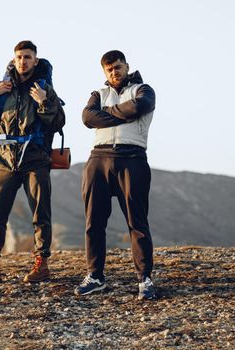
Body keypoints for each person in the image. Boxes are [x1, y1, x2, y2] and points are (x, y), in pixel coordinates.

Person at [0, 40, 65, 283]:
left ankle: (42, 265)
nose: (23, 61)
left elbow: (58, 123)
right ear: (14, 60)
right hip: (4, 160)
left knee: (40, 214)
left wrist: (44, 101)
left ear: (35, 61)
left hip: (35, 159)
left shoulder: (44, 88)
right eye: (19, 57)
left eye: (27, 57)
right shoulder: (2, 88)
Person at [74, 50, 156, 300]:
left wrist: (106, 116)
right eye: (109, 69)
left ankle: (144, 279)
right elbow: (87, 117)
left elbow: (140, 107)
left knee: (137, 222)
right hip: (98, 159)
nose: (114, 71)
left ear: (127, 66)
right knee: (94, 222)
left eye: (118, 67)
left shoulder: (144, 89)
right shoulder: (98, 94)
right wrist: (123, 114)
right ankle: (95, 276)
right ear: (104, 72)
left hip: (132, 158)